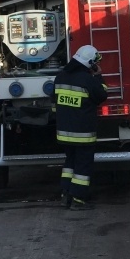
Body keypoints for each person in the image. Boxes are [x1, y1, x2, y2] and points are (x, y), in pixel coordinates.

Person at [51, 45, 107, 211]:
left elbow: (54, 105)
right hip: (83, 133)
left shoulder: (60, 77)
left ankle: (66, 194)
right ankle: (78, 199)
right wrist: (99, 77)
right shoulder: (88, 80)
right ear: (91, 63)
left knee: (70, 163)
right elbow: (102, 95)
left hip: (64, 133)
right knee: (83, 166)